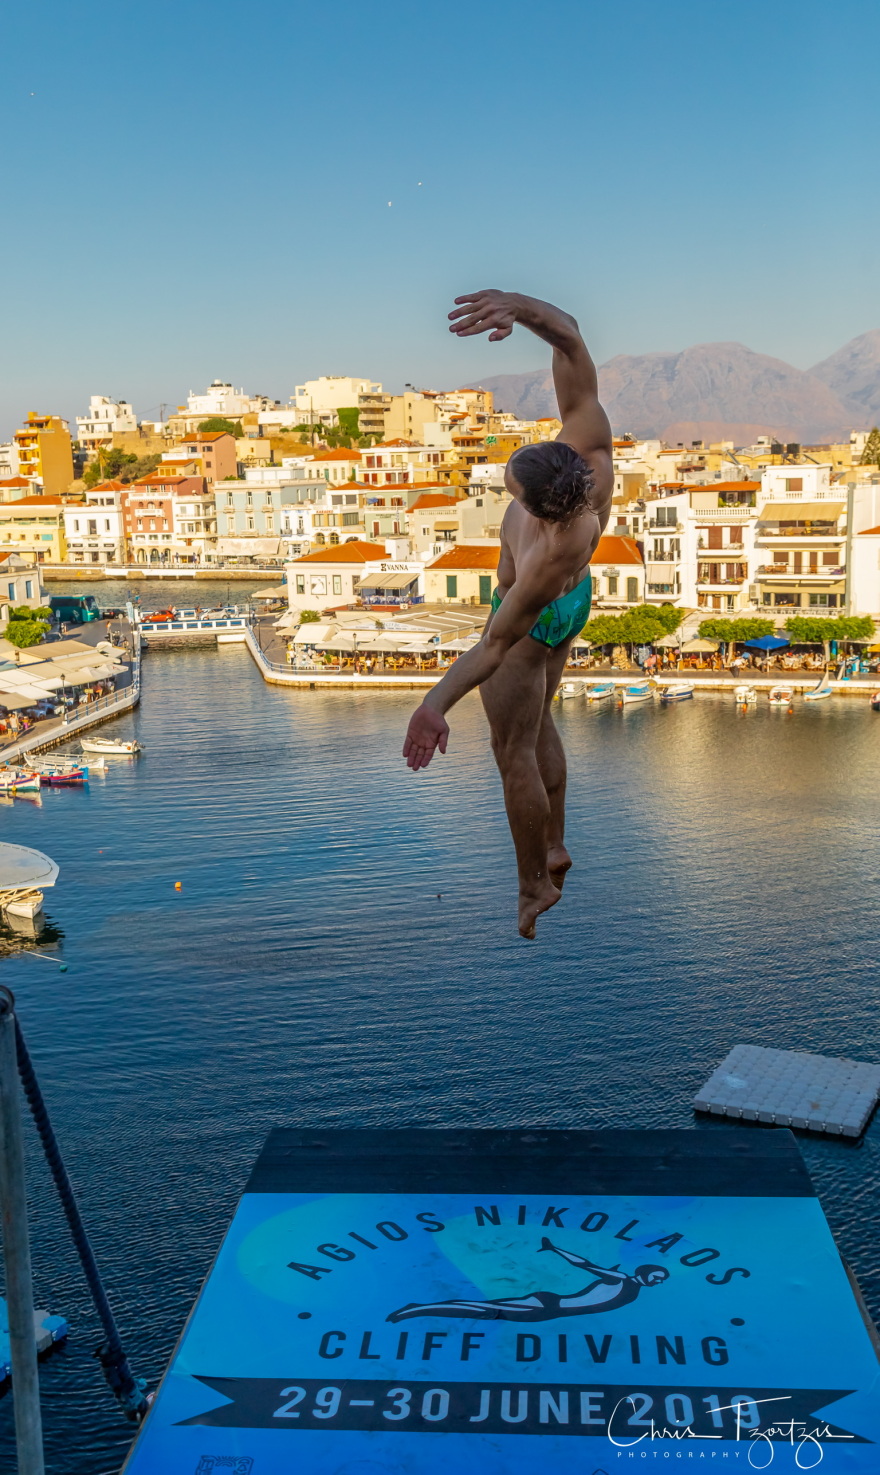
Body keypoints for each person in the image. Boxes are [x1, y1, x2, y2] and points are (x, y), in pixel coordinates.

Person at [402, 289, 613, 937]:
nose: (508, 492)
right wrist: (514, 307)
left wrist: (435, 702)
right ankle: (554, 842)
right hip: (574, 605)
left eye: (513, 493)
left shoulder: (543, 559)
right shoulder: (593, 455)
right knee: (542, 713)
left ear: (541, 511)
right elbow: (571, 336)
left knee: (512, 746)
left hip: (534, 614)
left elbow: (493, 646)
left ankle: (533, 884)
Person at [386, 1239, 668, 1323]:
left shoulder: (633, 1291)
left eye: (660, 1280)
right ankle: (417, 1309)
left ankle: (420, 1308)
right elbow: (585, 1264)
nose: (657, 1282)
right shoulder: (621, 1278)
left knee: (486, 1311)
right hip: (549, 1304)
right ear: (645, 1271)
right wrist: (555, 1248)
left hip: (551, 1313)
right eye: (657, 1276)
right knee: (482, 1309)